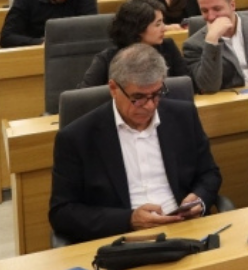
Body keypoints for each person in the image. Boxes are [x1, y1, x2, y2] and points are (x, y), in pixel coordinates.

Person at [48, 44, 222, 244]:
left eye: (156, 94)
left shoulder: (183, 116)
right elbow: (62, 212)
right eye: (138, 98)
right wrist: (128, 220)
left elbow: (209, 173)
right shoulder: (77, 137)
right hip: (121, 241)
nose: (149, 105)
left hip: (187, 231)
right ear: (114, 88)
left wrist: (199, 198)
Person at [80, 0, 190, 87]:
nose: (164, 28)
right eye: (157, 24)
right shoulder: (106, 59)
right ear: (139, 29)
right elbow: (84, 96)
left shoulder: (168, 47)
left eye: (162, 22)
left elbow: (187, 84)